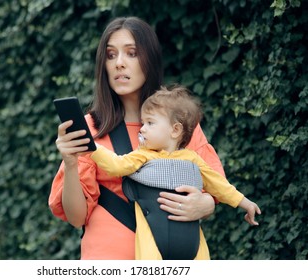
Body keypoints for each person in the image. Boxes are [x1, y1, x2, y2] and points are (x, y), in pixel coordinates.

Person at [49, 16, 225, 260]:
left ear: (149, 59)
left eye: (131, 53)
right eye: (111, 55)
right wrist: (69, 163)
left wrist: (206, 204)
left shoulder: (179, 123)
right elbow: (77, 217)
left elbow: (215, 187)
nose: (119, 63)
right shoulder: (92, 127)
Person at [89, 85, 261, 259]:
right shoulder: (142, 156)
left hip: (191, 238)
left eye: (150, 123)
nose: (142, 129)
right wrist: (90, 146)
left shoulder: (192, 159)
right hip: (152, 240)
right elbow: (116, 165)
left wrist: (245, 203)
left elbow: (220, 185)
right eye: (143, 123)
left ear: (175, 130)